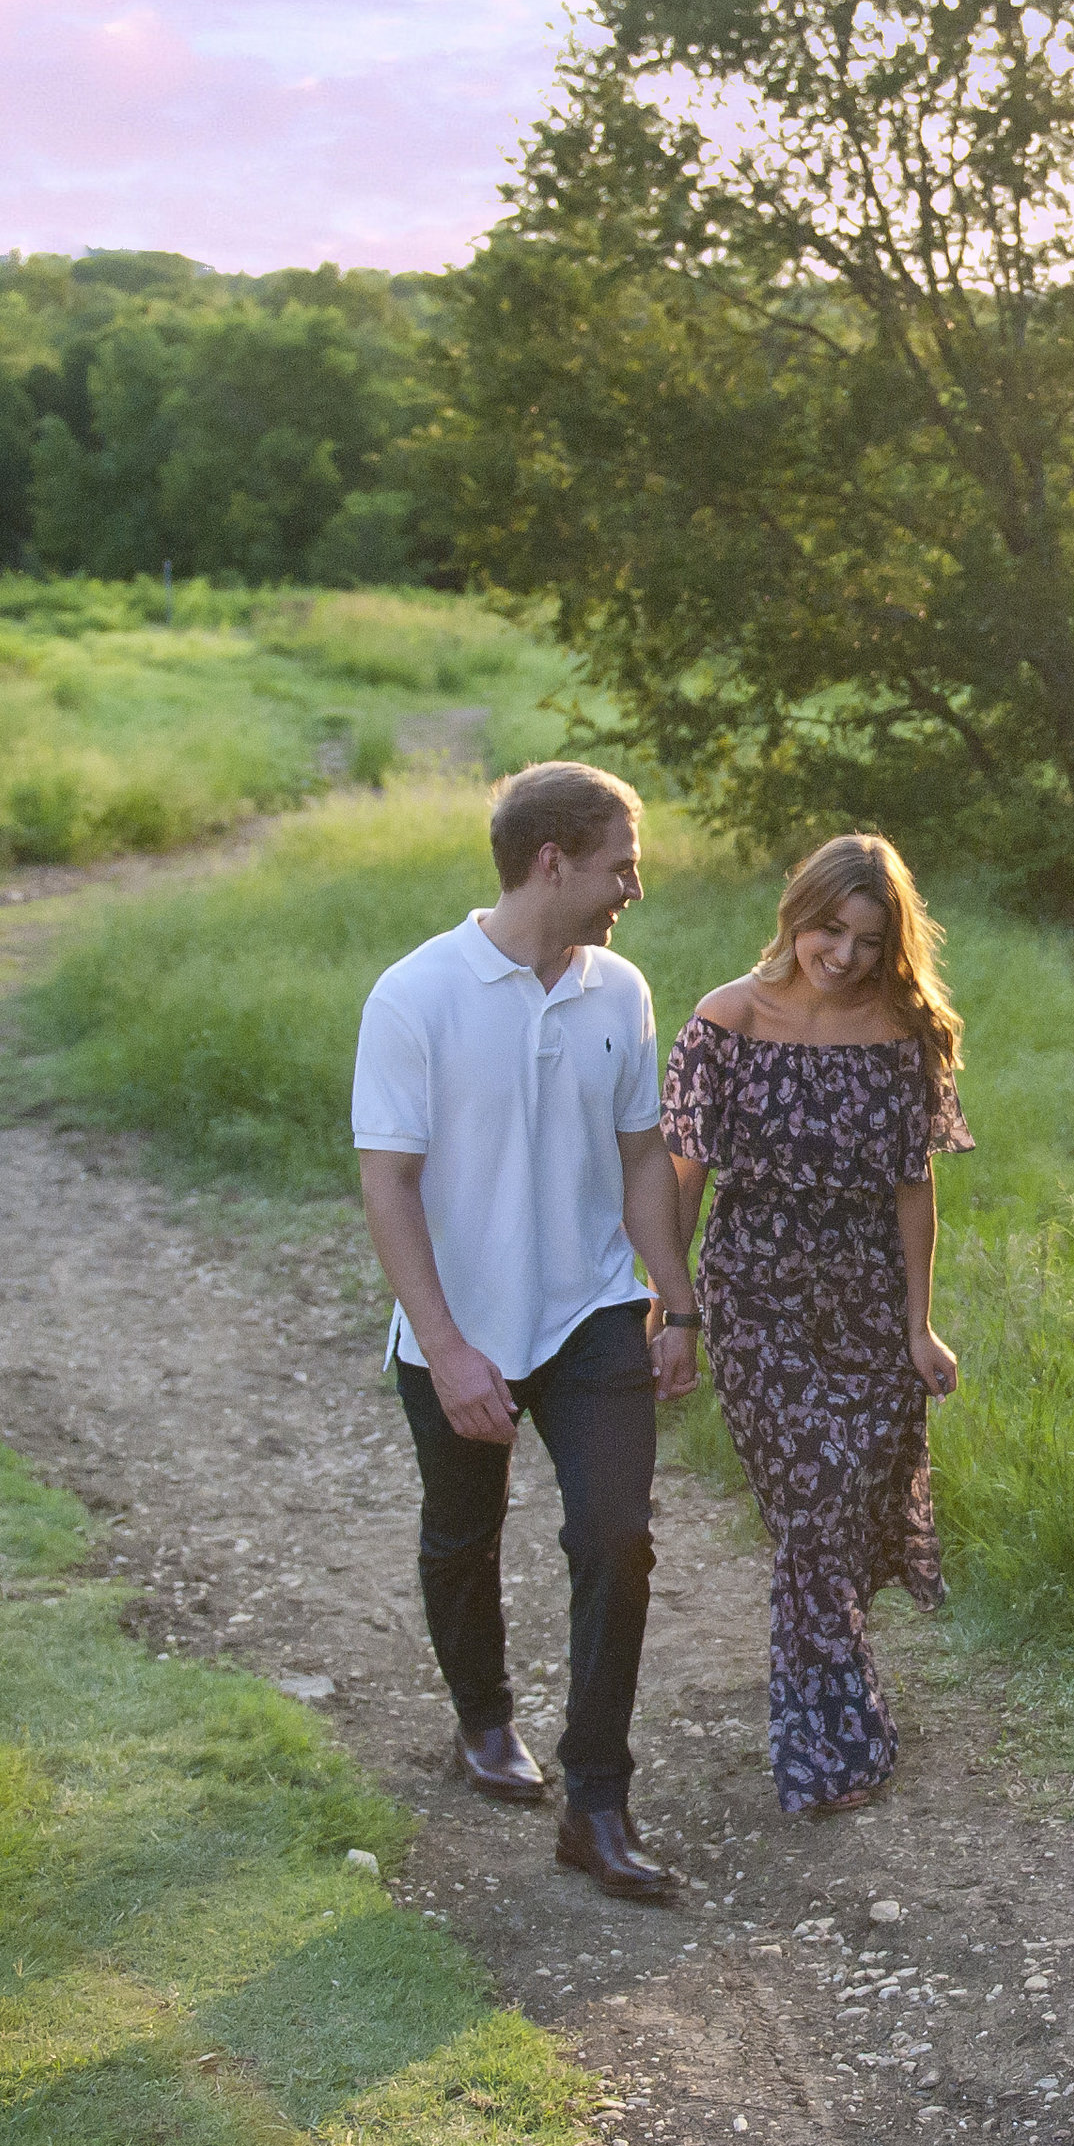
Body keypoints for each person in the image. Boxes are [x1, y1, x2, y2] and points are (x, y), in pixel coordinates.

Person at [350, 761, 703, 1903]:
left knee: (614, 1538)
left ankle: (597, 1800)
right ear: (554, 861)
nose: (632, 886)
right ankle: (482, 1717)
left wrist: (673, 1297)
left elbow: (643, 1154)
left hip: (592, 1310)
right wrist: (447, 1345)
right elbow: (390, 1184)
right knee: (463, 1531)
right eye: (620, 862)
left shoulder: (620, 990)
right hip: (462, 1324)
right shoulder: (415, 994)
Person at [660, 832, 973, 1816]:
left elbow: (912, 1189)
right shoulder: (725, 1021)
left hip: (866, 1302)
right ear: (796, 915)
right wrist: (678, 1307)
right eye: (828, 929)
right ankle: (834, 1736)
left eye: (868, 940)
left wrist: (918, 1326)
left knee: (839, 1504)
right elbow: (679, 1175)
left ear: (892, 947)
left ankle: (821, 1663)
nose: (841, 955)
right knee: (809, 1513)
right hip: (756, 1298)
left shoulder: (903, 1034)